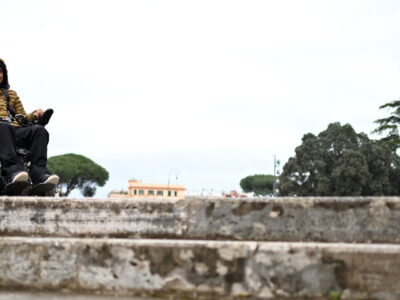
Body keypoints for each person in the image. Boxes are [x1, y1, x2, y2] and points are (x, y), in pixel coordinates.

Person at [0, 58, 59, 187]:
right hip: (2, 130)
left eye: (0, 72)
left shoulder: (10, 94)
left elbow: (22, 117)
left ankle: (39, 173)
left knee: (39, 130)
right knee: (4, 127)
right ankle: (13, 172)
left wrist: (34, 115)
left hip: (13, 130)